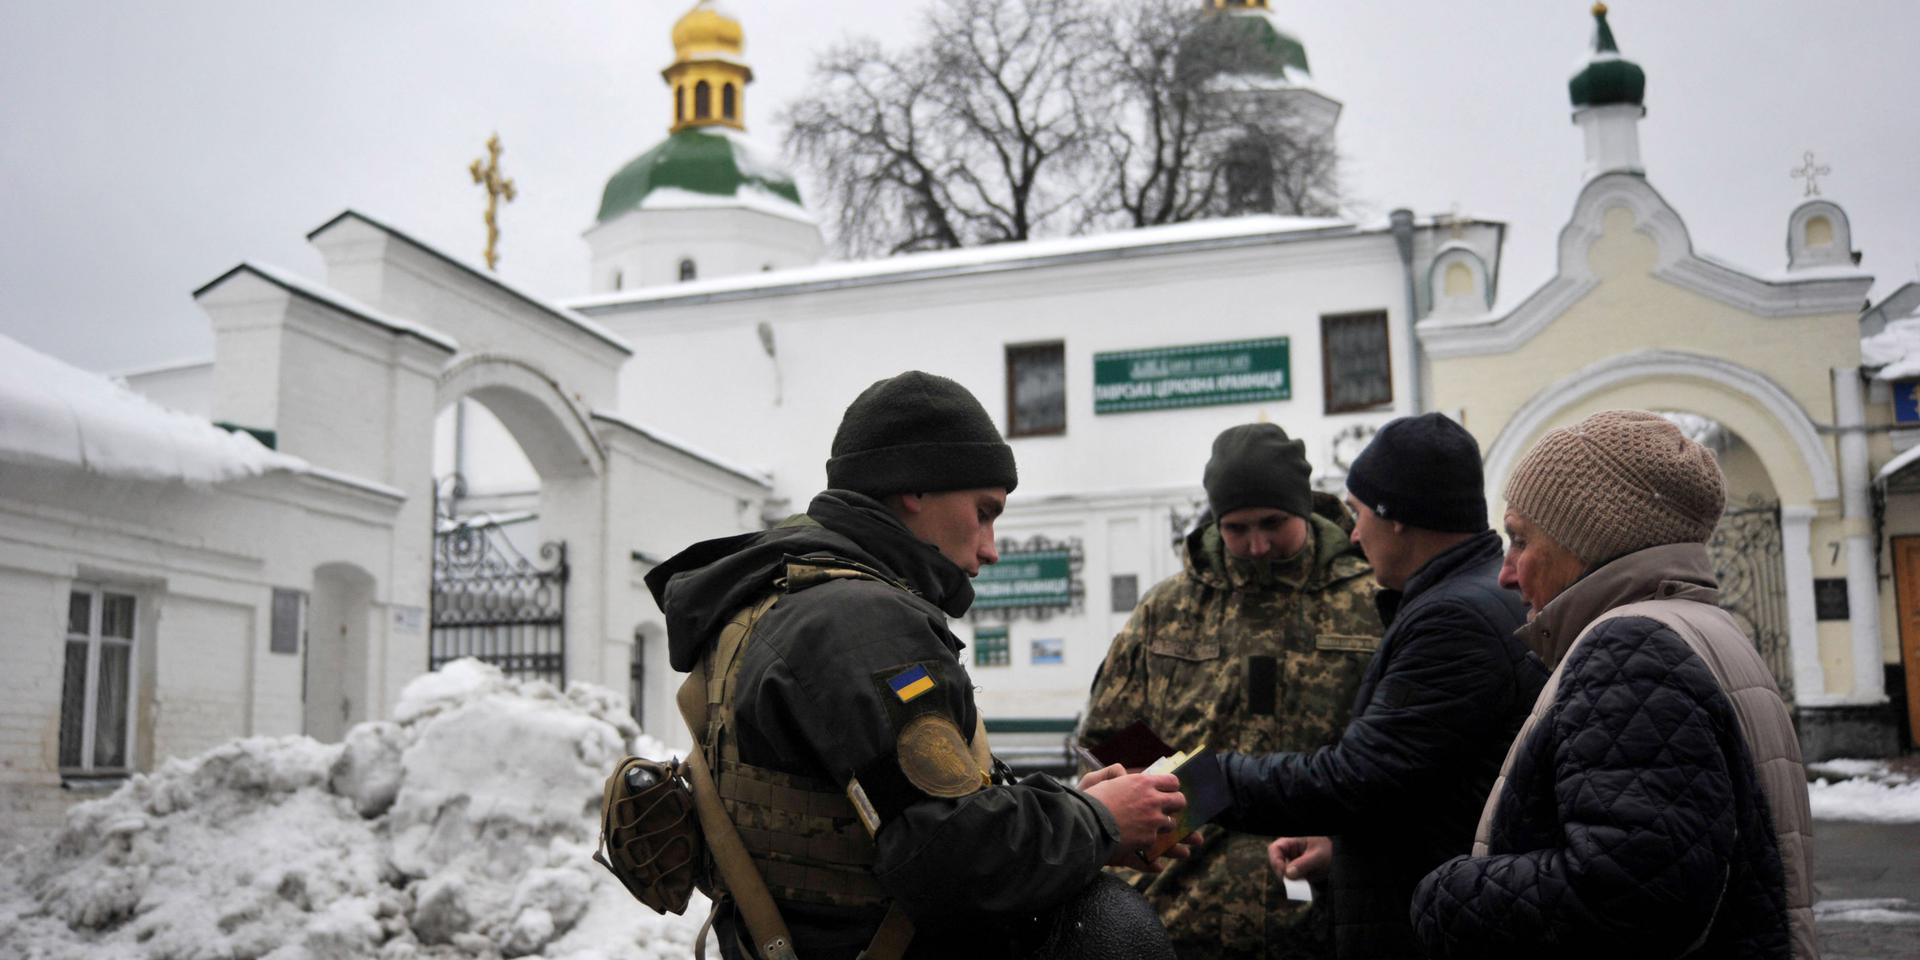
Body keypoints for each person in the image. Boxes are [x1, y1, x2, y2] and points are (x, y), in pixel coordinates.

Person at [645, 371, 1188, 960]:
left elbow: (895, 809)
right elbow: (949, 854)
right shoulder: (861, 620)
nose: (990, 547)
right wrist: (1097, 822)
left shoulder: (777, 598)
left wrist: (1073, 806)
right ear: (915, 488)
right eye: (983, 512)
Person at [1410, 410, 1817, 960]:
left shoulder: (1630, 651)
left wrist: (1448, 893)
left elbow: (1632, 895)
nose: (1506, 573)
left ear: (1588, 542)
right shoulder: (1699, 628)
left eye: (1519, 539)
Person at [1209, 413, 1547, 959]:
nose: (1355, 532)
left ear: (1397, 520)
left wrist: (1193, 783)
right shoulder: (1476, 595)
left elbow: (1355, 780)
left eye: (1361, 513)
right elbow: (1423, 787)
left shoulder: (1454, 619)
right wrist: (1344, 850)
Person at [1081, 422, 1385, 959]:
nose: (1257, 545)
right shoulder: (1168, 609)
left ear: (1304, 511)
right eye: (1237, 527)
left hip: (1325, 911)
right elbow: (1108, 732)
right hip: (1180, 906)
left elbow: (1399, 754)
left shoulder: (1368, 600)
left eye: (1274, 523)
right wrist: (1189, 804)